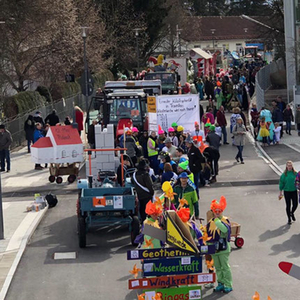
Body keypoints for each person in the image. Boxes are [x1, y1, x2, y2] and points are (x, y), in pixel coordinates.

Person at [206, 196, 233, 293]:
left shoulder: (225, 220)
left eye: (219, 210)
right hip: (214, 249)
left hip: (223, 248)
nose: (217, 212)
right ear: (213, 211)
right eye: (215, 210)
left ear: (222, 211)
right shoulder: (210, 222)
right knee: (218, 267)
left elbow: (225, 230)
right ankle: (220, 283)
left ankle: (228, 284)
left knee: (225, 267)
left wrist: (217, 221)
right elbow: (208, 235)